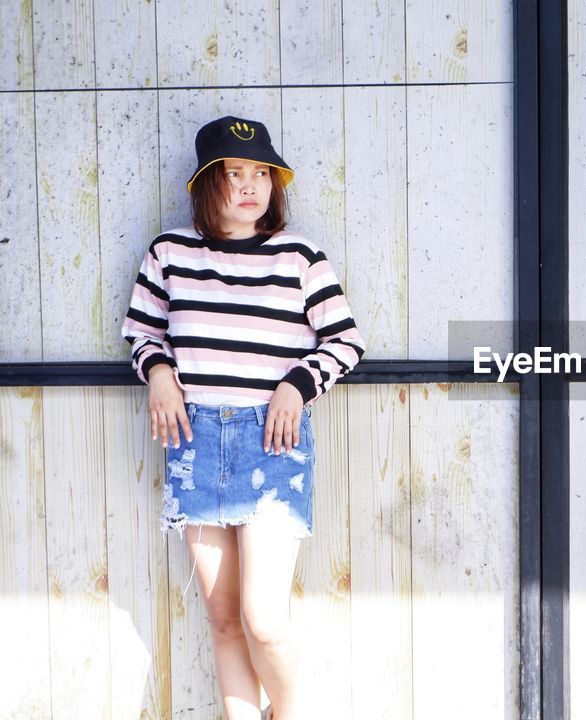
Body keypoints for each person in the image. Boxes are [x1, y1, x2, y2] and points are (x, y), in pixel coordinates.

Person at [120, 115, 365, 720]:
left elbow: (344, 341)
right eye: (235, 173)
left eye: (262, 173)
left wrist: (296, 385)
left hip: (272, 442)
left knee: (264, 619)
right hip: (193, 439)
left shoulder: (299, 256)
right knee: (224, 617)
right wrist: (157, 375)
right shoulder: (169, 253)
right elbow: (142, 333)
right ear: (207, 183)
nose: (252, 185)